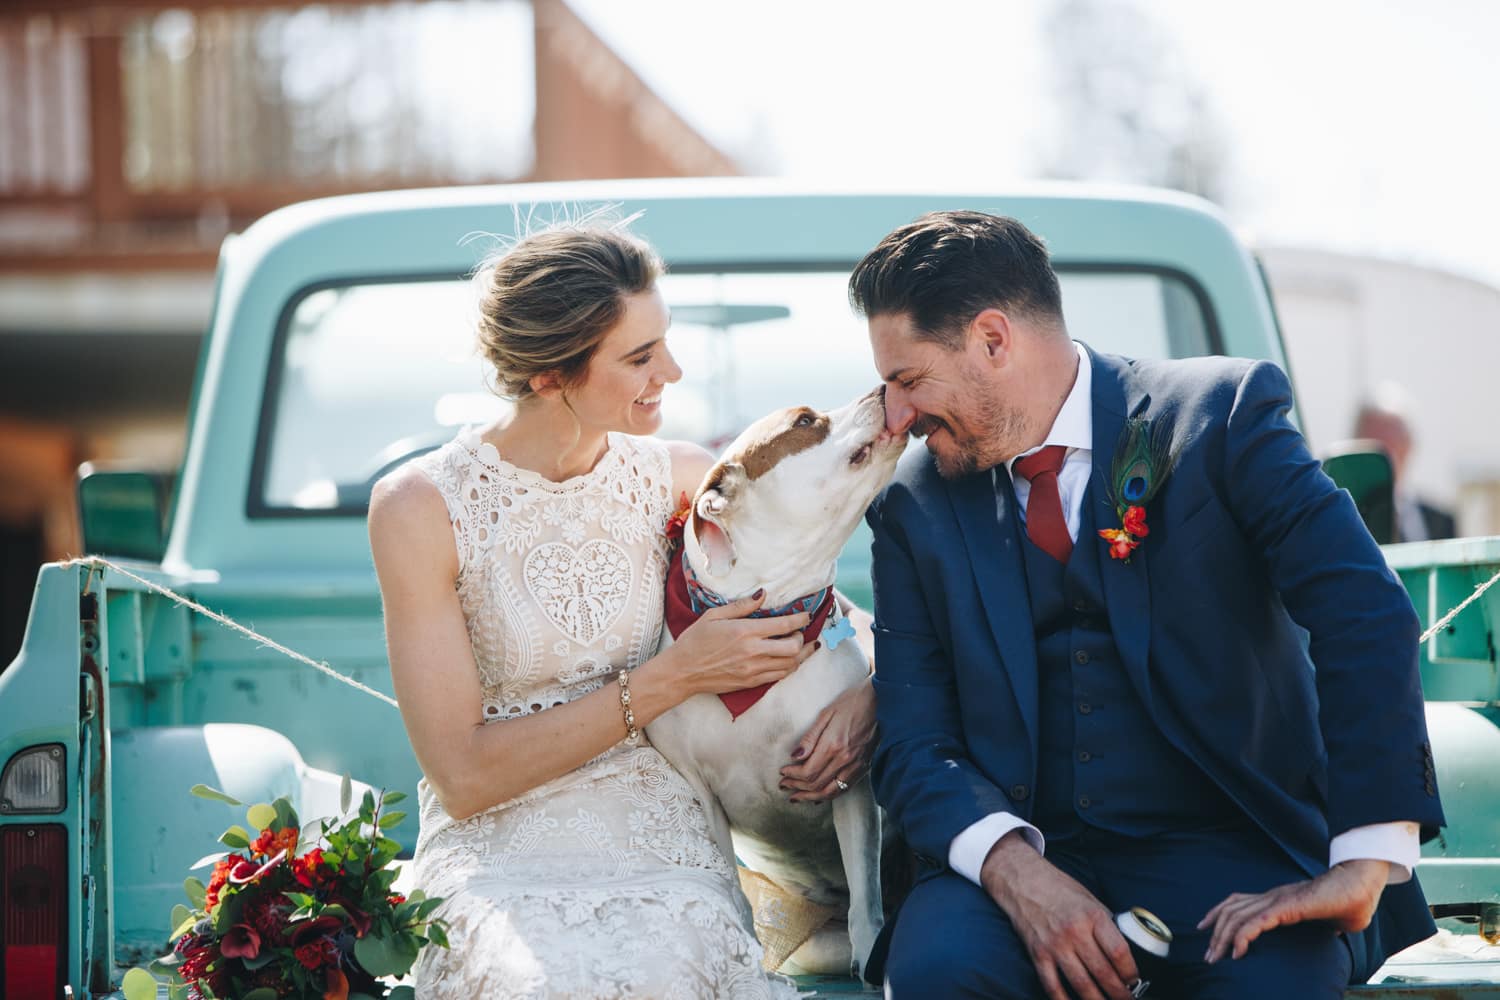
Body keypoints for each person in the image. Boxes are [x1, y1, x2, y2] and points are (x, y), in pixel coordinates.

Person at [851, 211, 1445, 998]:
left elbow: (1361, 606)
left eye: (908, 380)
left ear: (994, 340)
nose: (896, 417)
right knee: (937, 975)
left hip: (1235, 857)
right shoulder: (913, 506)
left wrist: (1366, 859)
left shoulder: (1220, 417)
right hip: (1021, 865)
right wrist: (1014, 870)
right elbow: (916, 741)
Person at [368, 221, 871, 998]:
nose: (670, 370)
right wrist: (672, 679)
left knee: (666, 971)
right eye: (639, 357)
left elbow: (819, 609)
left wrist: (869, 695)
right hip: (497, 838)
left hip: (666, 823)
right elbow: (462, 776)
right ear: (547, 376)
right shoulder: (420, 507)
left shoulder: (684, 481)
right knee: (522, 981)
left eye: (663, 341)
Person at [1353, 389, 1457, 542]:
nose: (1385, 452)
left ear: (1409, 446)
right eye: (1374, 440)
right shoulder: (1347, 516)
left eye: (1393, 438)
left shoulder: (1441, 520)